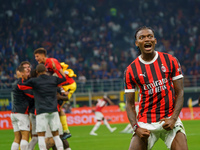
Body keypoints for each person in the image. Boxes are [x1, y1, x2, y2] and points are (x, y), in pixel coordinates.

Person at [124, 26, 188, 150]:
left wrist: (174, 118)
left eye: (150, 36)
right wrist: (136, 127)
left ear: (155, 40)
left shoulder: (170, 60)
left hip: (170, 118)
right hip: (145, 122)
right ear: (137, 43)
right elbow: (130, 104)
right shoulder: (131, 70)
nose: (147, 39)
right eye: (142, 37)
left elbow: (179, 92)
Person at [18, 63, 66, 150]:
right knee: (56, 135)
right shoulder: (54, 79)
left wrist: (22, 76)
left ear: (37, 72)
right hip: (54, 111)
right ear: (46, 70)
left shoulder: (34, 81)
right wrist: (56, 70)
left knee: (41, 136)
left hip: (41, 111)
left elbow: (21, 86)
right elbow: (64, 79)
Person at [11, 65, 33, 150]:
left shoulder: (14, 83)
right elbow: (31, 95)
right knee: (25, 137)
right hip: (21, 113)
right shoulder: (21, 84)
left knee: (17, 138)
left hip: (14, 113)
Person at [59, 62, 77, 140]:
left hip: (68, 86)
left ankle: (66, 131)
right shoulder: (61, 69)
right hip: (68, 85)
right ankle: (65, 130)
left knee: (58, 108)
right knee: (58, 108)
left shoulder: (59, 70)